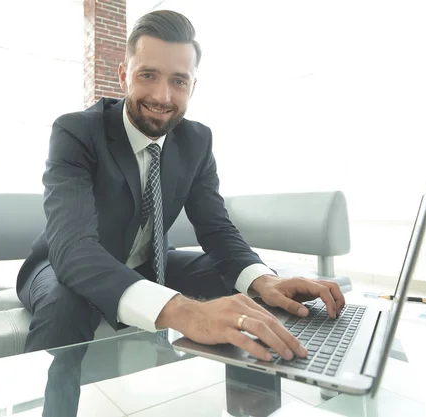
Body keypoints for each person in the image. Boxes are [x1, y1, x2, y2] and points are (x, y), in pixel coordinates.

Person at [17, 9, 345, 367]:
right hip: (62, 263)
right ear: (125, 75)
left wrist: (263, 280)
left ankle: (296, 374)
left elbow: (216, 228)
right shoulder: (76, 133)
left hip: (147, 265)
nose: (163, 96)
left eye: (178, 81)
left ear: (192, 86)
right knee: (67, 304)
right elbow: (74, 250)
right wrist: (184, 311)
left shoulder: (197, 140)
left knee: (245, 287)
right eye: (148, 75)